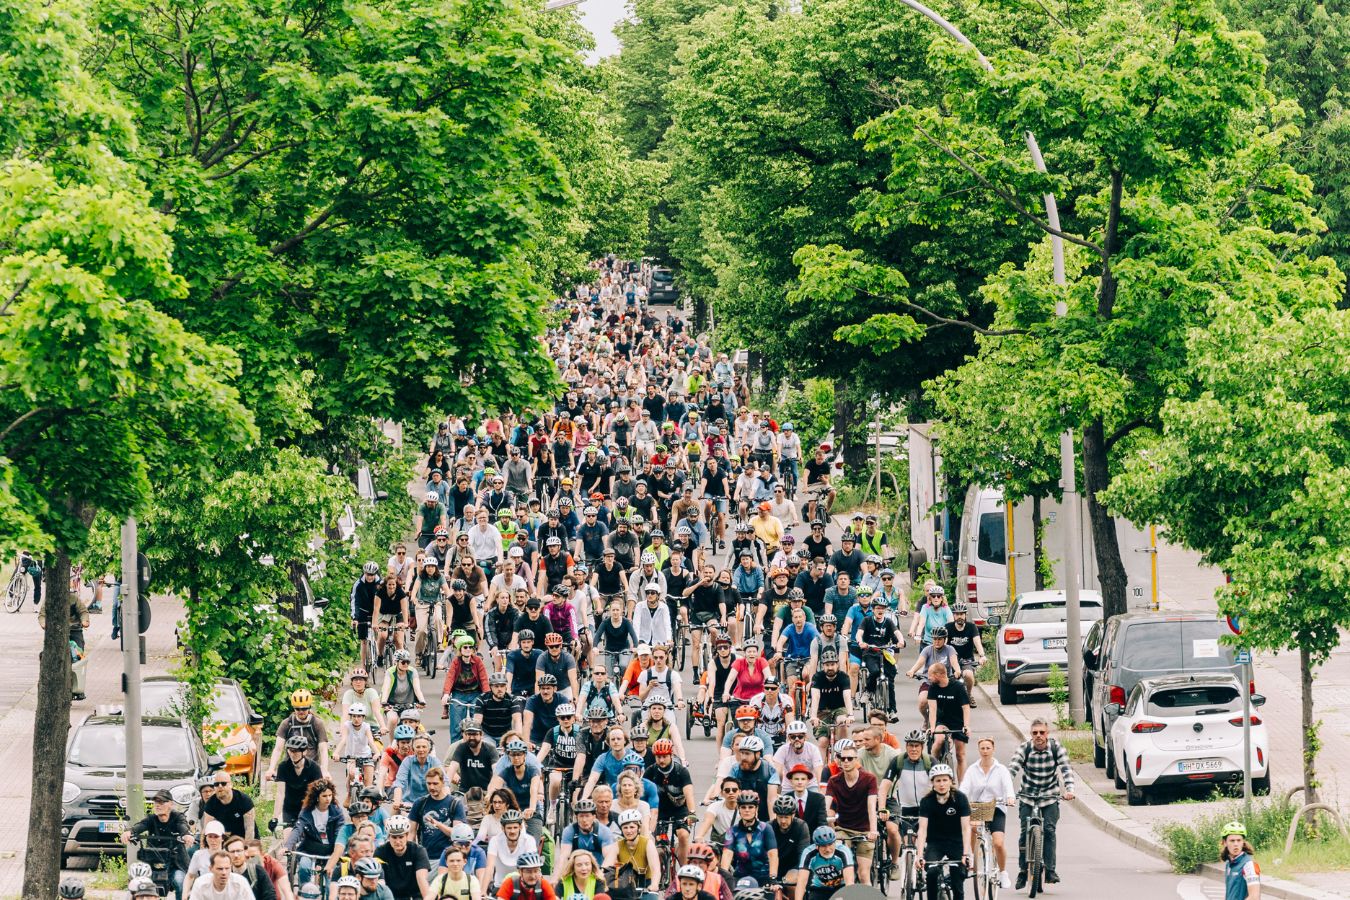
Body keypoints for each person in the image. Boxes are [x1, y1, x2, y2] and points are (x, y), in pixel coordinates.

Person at [1008, 717, 1075, 889]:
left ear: (1047, 733)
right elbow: (1012, 770)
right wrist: (1007, 791)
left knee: (1049, 831)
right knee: (1024, 832)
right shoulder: (1024, 748)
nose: (1038, 735)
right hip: (1027, 795)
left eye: (1042, 732)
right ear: (1031, 734)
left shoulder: (1056, 748)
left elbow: (1066, 769)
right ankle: (1023, 871)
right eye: (1035, 733)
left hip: (1050, 795)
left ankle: (1051, 871)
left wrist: (1069, 789)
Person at [959, 737, 1014, 890]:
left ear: (993, 749)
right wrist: (959, 800)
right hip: (977, 807)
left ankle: (1003, 872)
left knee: (998, 843)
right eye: (982, 748)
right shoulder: (972, 769)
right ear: (979, 750)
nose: (985, 751)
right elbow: (964, 788)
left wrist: (1010, 797)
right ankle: (973, 856)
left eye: (988, 748)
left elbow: (1008, 786)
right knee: (971, 827)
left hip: (997, 807)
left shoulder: (1001, 769)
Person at [822, 740, 877, 886]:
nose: (846, 761)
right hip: (843, 829)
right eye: (842, 758)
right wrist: (825, 824)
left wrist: (873, 830)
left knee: (863, 875)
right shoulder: (834, 781)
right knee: (842, 870)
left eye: (850, 758)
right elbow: (825, 805)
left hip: (864, 830)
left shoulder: (869, 779)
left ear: (856, 760)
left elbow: (871, 806)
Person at [914, 764, 971, 900]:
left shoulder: (960, 798)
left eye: (945, 780)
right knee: (932, 872)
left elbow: (966, 828)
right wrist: (919, 855)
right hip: (935, 843)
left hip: (956, 842)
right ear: (932, 783)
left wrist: (966, 854)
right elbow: (922, 829)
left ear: (951, 781)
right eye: (938, 780)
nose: (941, 784)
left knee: (958, 875)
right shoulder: (926, 801)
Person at [123, 789, 191, 899]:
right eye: (156, 802)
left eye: (162, 802)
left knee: (180, 882)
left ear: (171, 804)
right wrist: (129, 832)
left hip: (175, 864)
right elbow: (141, 825)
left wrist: (186, 835)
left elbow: (183, 826)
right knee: (138, 884)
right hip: (152, 864)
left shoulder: (178, 817)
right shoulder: (151, 819)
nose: (158, 805)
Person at [411, 767, 470, 865]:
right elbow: (411, 833)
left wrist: (438, 824)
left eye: (435, 783)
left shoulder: (455, 803)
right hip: (425, 857)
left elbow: (457, 834)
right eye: (429, 783)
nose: (432, 787)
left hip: (448, 858)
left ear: (443, 782)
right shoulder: (419, 803)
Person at [720, 790, 778, 888]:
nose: (747, 810)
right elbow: (727, 854)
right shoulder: (732, 831)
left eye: (750, 807)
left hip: (764, 877)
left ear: (756, 808)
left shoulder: (766, 828)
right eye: (743, 807)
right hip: (741, 877)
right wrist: (723, 878)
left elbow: (773, 854)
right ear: (738, 809)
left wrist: (773, 878)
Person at [925, 662, 971, 779]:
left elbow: (966, 707)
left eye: (930, 675)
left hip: (958, 722)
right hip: (942, 721)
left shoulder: (958, 687)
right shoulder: (933, 688)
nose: (928, 678)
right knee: (939, 740)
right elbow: (932, 709)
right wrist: (932, 728)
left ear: (939, 675)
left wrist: (966, 726)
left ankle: (962, 786)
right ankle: (932, 768)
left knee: (960, 754)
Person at [376, 815, 433, 900]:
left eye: (401, 837)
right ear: (388, 837)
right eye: (394, 837)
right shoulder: (380, 852)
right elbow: (380, 882)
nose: (397, 841)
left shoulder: (418, 851)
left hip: (414, 896)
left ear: (407, 835)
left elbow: (422, 879)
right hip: (390, 896)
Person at [611, 808, 661, 900]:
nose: (628, 831)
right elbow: (608, 864)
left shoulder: (647, 843)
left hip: (646, 885)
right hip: (625, 885)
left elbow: (655, 869)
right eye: (625, 828)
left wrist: (654, 884)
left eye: (632, 827)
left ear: (638, 828)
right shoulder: (617, 845)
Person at [795, 826, 854, 900]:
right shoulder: (808, 853)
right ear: (816, 846)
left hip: (841, 887)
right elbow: (801, 882)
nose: (828, 849)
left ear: (835, 842)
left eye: (830, 844)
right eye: (823, 846)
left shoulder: (843, 851)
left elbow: (849, 882)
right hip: (819, 888)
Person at [945, 602, 985, 704]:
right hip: (951, 660)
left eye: (962, 614)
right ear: (953, 615)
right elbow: (943, 644)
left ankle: (969, 694)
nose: (959, 616)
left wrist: (982, 656)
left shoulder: (971, 627)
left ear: (965, 615)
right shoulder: (948, 627)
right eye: (957, 614)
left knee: (968, 675)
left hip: (967, 660)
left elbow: (977, 642)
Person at [768, 795, 809, 895]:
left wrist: (793, 875)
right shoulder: (769, 827)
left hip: (792, 866)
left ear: (793, 815)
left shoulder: (801, 826)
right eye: (780, 817)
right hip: (772, 867)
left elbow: (803, 856)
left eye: (786, 817)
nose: (783, 821)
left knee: (794, 885)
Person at [202, 771, 255, 839]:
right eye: (216, 784)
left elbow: (249, 830)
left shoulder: (244, 800)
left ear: (231, 785)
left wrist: (246, 845)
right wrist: (203, 845)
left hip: (244, 838)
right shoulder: (211, 803)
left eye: (223, 783)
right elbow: (206, 829)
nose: (220, 786)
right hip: (225, 839)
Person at [224, 836, 277, 900]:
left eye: (238, 851)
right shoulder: (225, 875)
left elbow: (270, 895)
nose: (236, 855)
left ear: (245, 851)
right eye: (232, 852)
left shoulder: (257, 871)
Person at [187, 851, 253, 900]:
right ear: (211, 869)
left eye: (227, 868)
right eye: (220, 869)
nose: (224, 872)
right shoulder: (201, 883)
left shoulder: (240, 882)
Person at [1222, 822, 1262, 900]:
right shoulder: (1229, 863)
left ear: (1243, 842)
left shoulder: (1249, 865)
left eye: (1239, 840)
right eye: (1232, 841)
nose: (1236, 844)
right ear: (1225, 843)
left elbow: (1254, 897)